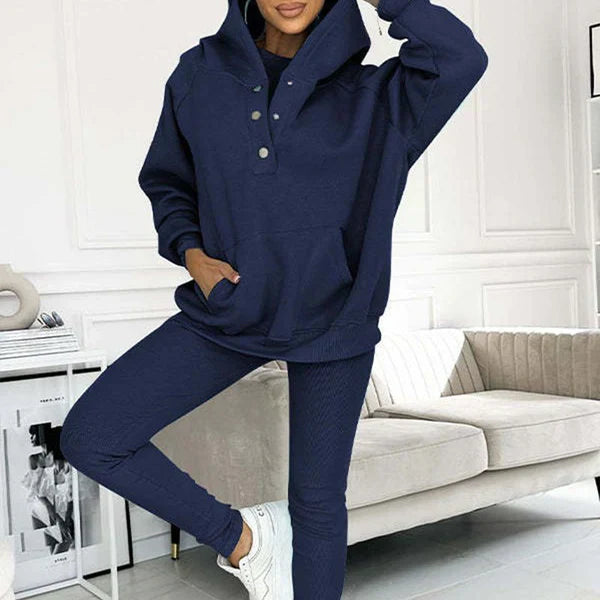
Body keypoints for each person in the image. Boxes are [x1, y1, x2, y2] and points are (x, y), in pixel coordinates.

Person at [59, 0, 488, 597]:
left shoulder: (381, 97)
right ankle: (245, 542)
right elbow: (168, 182)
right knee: (92, 435)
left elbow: (460, 56)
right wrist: (192, 255)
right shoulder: (198, 75)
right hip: (229, 309)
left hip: (337, 320)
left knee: (317, 503)